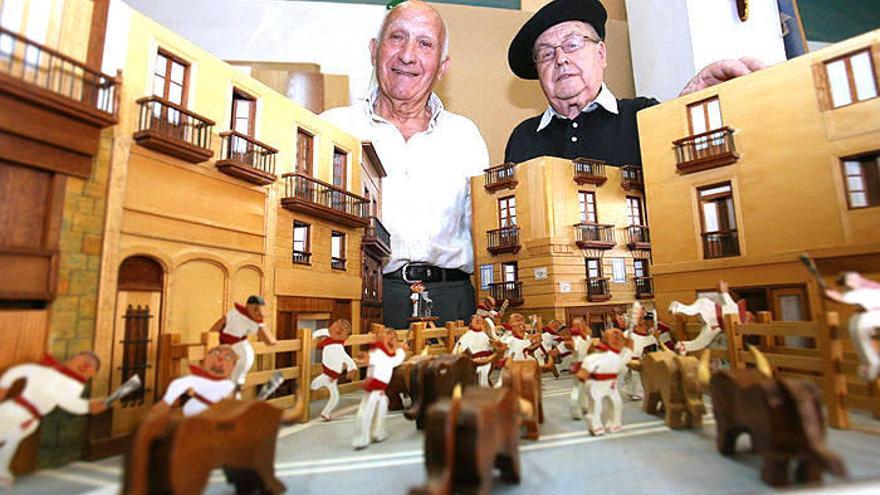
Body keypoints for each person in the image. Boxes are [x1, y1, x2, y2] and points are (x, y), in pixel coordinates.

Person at [321, 0, 489, 330]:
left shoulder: (465, 136)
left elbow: (483, 234)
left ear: (442, 66)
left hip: (454, 300)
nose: (408, 55)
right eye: (397, 37)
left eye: (425, 43)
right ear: (374, 50)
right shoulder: (334, 129)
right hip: (363, 297)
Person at [504, 0, 765, 165]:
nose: (560, 59)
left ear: (601, 53)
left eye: (572, 44)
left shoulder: (643, 115)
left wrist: (687, 114)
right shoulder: (523, 138)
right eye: (546, 54)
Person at [0, 353, 107, 487]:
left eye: (91, 364)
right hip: (15, 411)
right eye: (86, 361)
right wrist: (89, 406)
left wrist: (90, 406)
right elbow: (70, 403)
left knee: (11, 441)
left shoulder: (71, 384)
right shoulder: (59, 378)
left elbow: (71, 402)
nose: (86, 365)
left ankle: (1, 470)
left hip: (30, 418)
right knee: (7, 437)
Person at [353, 328, 408, 449]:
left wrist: (400, 350)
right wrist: (401, 351)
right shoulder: (378, 352)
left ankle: (378, 432)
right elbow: (390, 360)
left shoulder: (386, 354)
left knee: (381, 409)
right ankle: (362, 437)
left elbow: (394, 359)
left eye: (394, 338)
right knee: (366, 412)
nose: (393, 340)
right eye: (390, 337)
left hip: (381, 391)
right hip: (374, 388)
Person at [209, 295, 277, 389]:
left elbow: (215, 328)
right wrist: (261, 323)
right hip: (235, 351)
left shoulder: (236, 312)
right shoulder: (250, 320)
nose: (258, 313)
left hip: (234, 351)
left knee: (231, 380)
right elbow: (270, 341)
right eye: (256, 309)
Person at [154, 345, 238, 417]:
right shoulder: (195, 379)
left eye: (227, 357)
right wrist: (167, 401)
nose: (220, 358)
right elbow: (178, 384)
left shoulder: (228, 385)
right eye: (216, 353)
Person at [310, 320, 359, 421]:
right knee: (318, 387)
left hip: (332, 376)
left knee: (330, 393)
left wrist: (352, 367)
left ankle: (324, 412)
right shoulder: (329, 342)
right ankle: (321, 410)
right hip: (328, 375)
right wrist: (313, 337)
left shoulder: (337, 346)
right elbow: (317, 334)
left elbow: (347, 358)